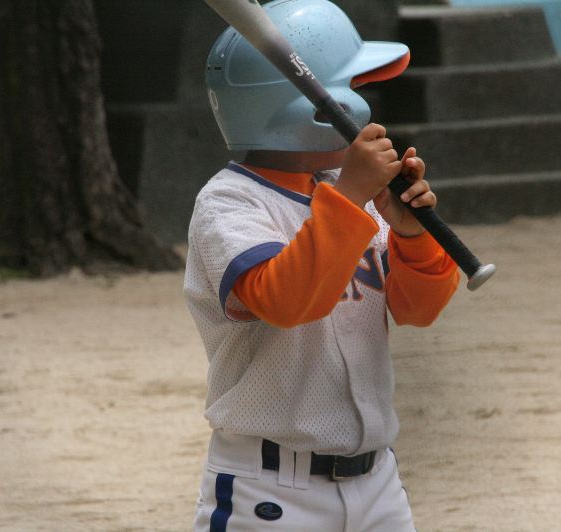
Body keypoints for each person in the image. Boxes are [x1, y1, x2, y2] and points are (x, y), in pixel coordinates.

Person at [184, 0, 459, 529]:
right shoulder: (229, 203)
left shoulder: (345, 195)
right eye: (352, 86)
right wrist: (352, 195)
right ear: (307, 109)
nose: (363, 101)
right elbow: (287, 303)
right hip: (270, 490)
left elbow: (419, 311)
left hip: (378, 483)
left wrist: (410, 233)